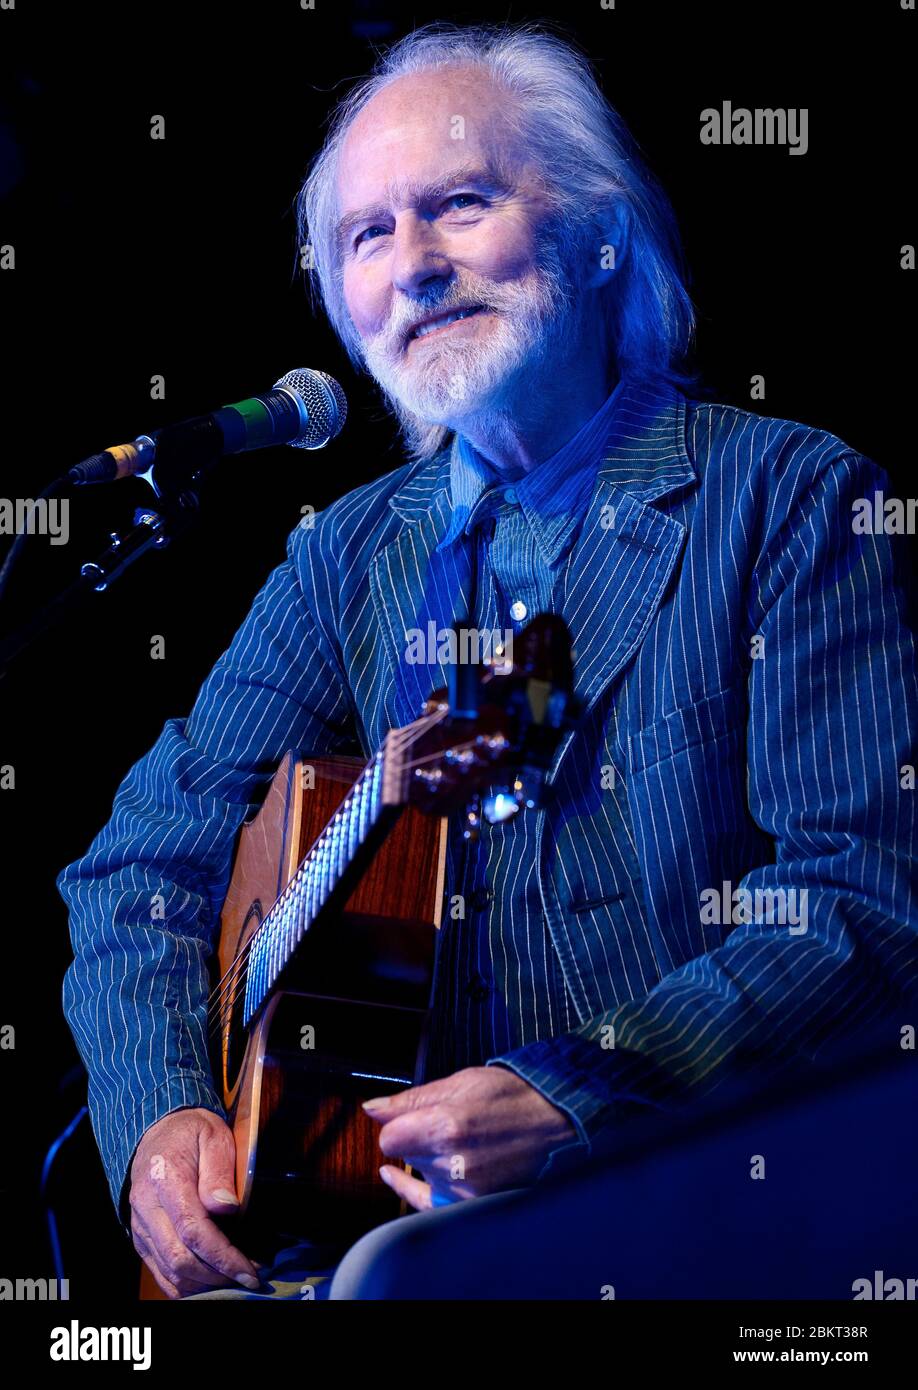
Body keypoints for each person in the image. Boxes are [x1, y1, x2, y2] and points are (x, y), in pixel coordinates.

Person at [57, 22, 918, 1300]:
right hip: (406, 1250)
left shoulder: (788, 496)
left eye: (460, 204)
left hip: (758, 1220)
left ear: (597, 232)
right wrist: (165, 1120)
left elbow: (867, 892)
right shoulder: (351, 555)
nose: (414, 266)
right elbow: (140, 865)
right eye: (367, 235)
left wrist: (578, 1087)